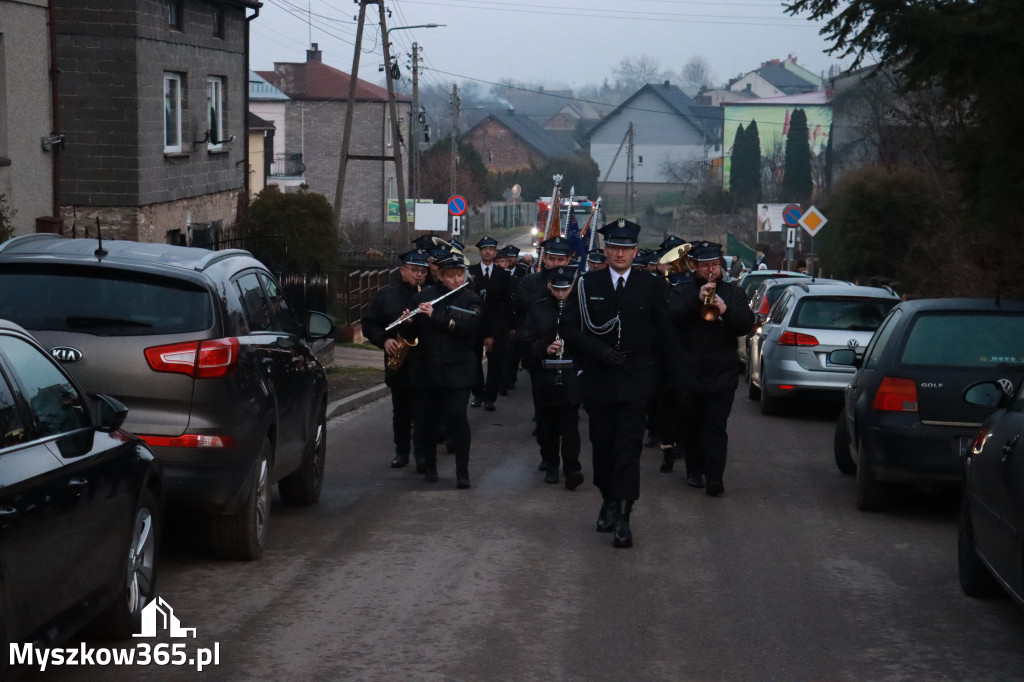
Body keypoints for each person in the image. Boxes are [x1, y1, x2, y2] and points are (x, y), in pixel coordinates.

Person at [561, 219, 682, 548]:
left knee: (628, 449)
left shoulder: (650, 285)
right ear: (606, 250)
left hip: (636, 376)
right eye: (614, 247)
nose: (620, 254)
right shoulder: (587, 284)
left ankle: (625, 517)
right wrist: (598, 351)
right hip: (599, 378)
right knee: (603, 447)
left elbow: (665, 331)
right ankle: (608, 500)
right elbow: (568, 327)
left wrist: (680, 374)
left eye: (626, 249)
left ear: (635, 251)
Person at [667, 241, 754, 497]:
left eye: (715, 265)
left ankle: (715, 478)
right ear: (694, 265)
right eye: (705, 265)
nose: (710, 270)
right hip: (689, 372)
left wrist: (725, 309)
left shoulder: (735, 293)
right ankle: (694, 470)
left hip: (722, 373)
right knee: (692, 424)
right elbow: (670, 318)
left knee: (715, 427)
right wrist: (695, 301)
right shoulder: (682, 291)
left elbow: (746, 324)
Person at [407, 251, 483, 488]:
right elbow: (413, 336)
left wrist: (436, 317)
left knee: (458, 417)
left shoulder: (471, 299)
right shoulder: (424, 297)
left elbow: (468, 330)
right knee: (428, 421)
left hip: (459, 369)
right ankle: (430, 466)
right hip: (429, 370)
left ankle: (462, 471)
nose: (457, 280)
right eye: (451, 276)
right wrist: (407, 323)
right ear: (440, 276)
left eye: (460, 274)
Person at [360, 248, 429, 471]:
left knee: (423, 412)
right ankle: (402, 452)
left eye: (423, 271)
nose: (419, 275)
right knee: (401, 411)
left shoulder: (430, 293)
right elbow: (369, 323)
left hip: (425, 361)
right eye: (415, 270)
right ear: (402, 270)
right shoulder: (386, 295)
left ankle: (422, 455)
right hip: (399, 362)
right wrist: (384, 340)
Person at [519, 266, 584, 490]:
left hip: (571, 373)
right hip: (545, 373)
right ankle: (551, 463)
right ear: (549, 286)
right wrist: (544, 348)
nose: (560, 293)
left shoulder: (581, 309)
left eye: (565, 289)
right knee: (547, 424)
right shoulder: (537, 309)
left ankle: (572, 467)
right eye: (556, 289)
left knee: (570, 424)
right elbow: (526, 340)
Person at [468, 236, 513, 411]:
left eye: (491, 249)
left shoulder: (502, 274)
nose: (487, 252)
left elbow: (508, 301)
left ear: (495, 252)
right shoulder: (470, 272)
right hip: (475, 323)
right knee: (474, 360)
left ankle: (490, 396)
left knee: (495, 361)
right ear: (480, 252)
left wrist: (511, 325)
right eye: (484, 249)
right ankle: (478, 393)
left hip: (496, 324)